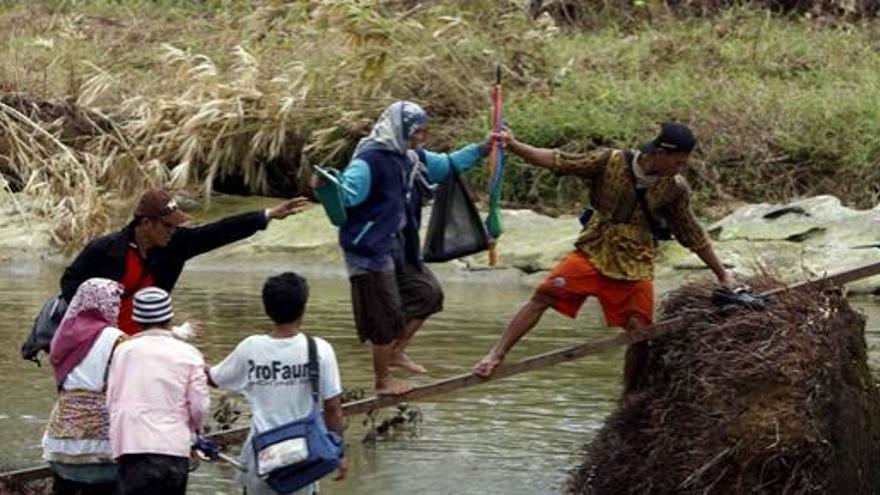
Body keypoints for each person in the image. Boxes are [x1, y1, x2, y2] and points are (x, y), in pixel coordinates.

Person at [473, 122, 736, 397]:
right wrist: (514, 145)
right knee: (543, 296)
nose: (681, 167)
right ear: (660, 153)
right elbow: (557, 160)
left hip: (635, 261)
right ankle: (495, 355)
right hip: (594, 250)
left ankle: (629, 396)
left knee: (640, 332)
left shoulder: (675, 189)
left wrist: (722, 274)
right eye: (678, 161)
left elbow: (691, 232)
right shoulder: (609, 161)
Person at [312, 100, 492, 395]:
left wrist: (483, 148)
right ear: (399, 129)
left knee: (427, 293)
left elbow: (448, 165)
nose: (420, 138)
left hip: (399, 245)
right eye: (416, 132)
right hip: (369, 249)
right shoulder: (368, 160)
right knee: (383, 318)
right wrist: (324, 186)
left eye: (422, 132)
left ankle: (396, 352)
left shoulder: (412, 158)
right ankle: (382, 381)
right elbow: (345, 196)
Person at [60, 189, 308, 334]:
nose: (172, 231)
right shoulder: (106, 249)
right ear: (146, 224)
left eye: (175, 225)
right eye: (167, 226)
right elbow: (70, 283)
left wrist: (267, 216)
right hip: (106, 342)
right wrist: (97, 328)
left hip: (146, 342)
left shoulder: (175, 245)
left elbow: (218, 231)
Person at [207, 272, 346, 495]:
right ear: (303, 308)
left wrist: (185, 357)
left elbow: (213, 378)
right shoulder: (320, 349)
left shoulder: (251, 347)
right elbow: (332, 409)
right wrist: (339, 452)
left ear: (267, 309)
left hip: (261, 458)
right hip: (303, 458)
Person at [106, 287, 209, 495]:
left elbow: (112, 400)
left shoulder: (123, 351)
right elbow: (199, 406)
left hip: (132, 446)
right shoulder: (189, 354)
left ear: (136, 319)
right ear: (170, 318)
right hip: (173, 448)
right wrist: (196, 433)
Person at [42, 278, 126, 495]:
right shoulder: (117, 338)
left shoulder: (64, 334)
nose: (118, 306)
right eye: (115, 300)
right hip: (99, 446)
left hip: (58, 441)